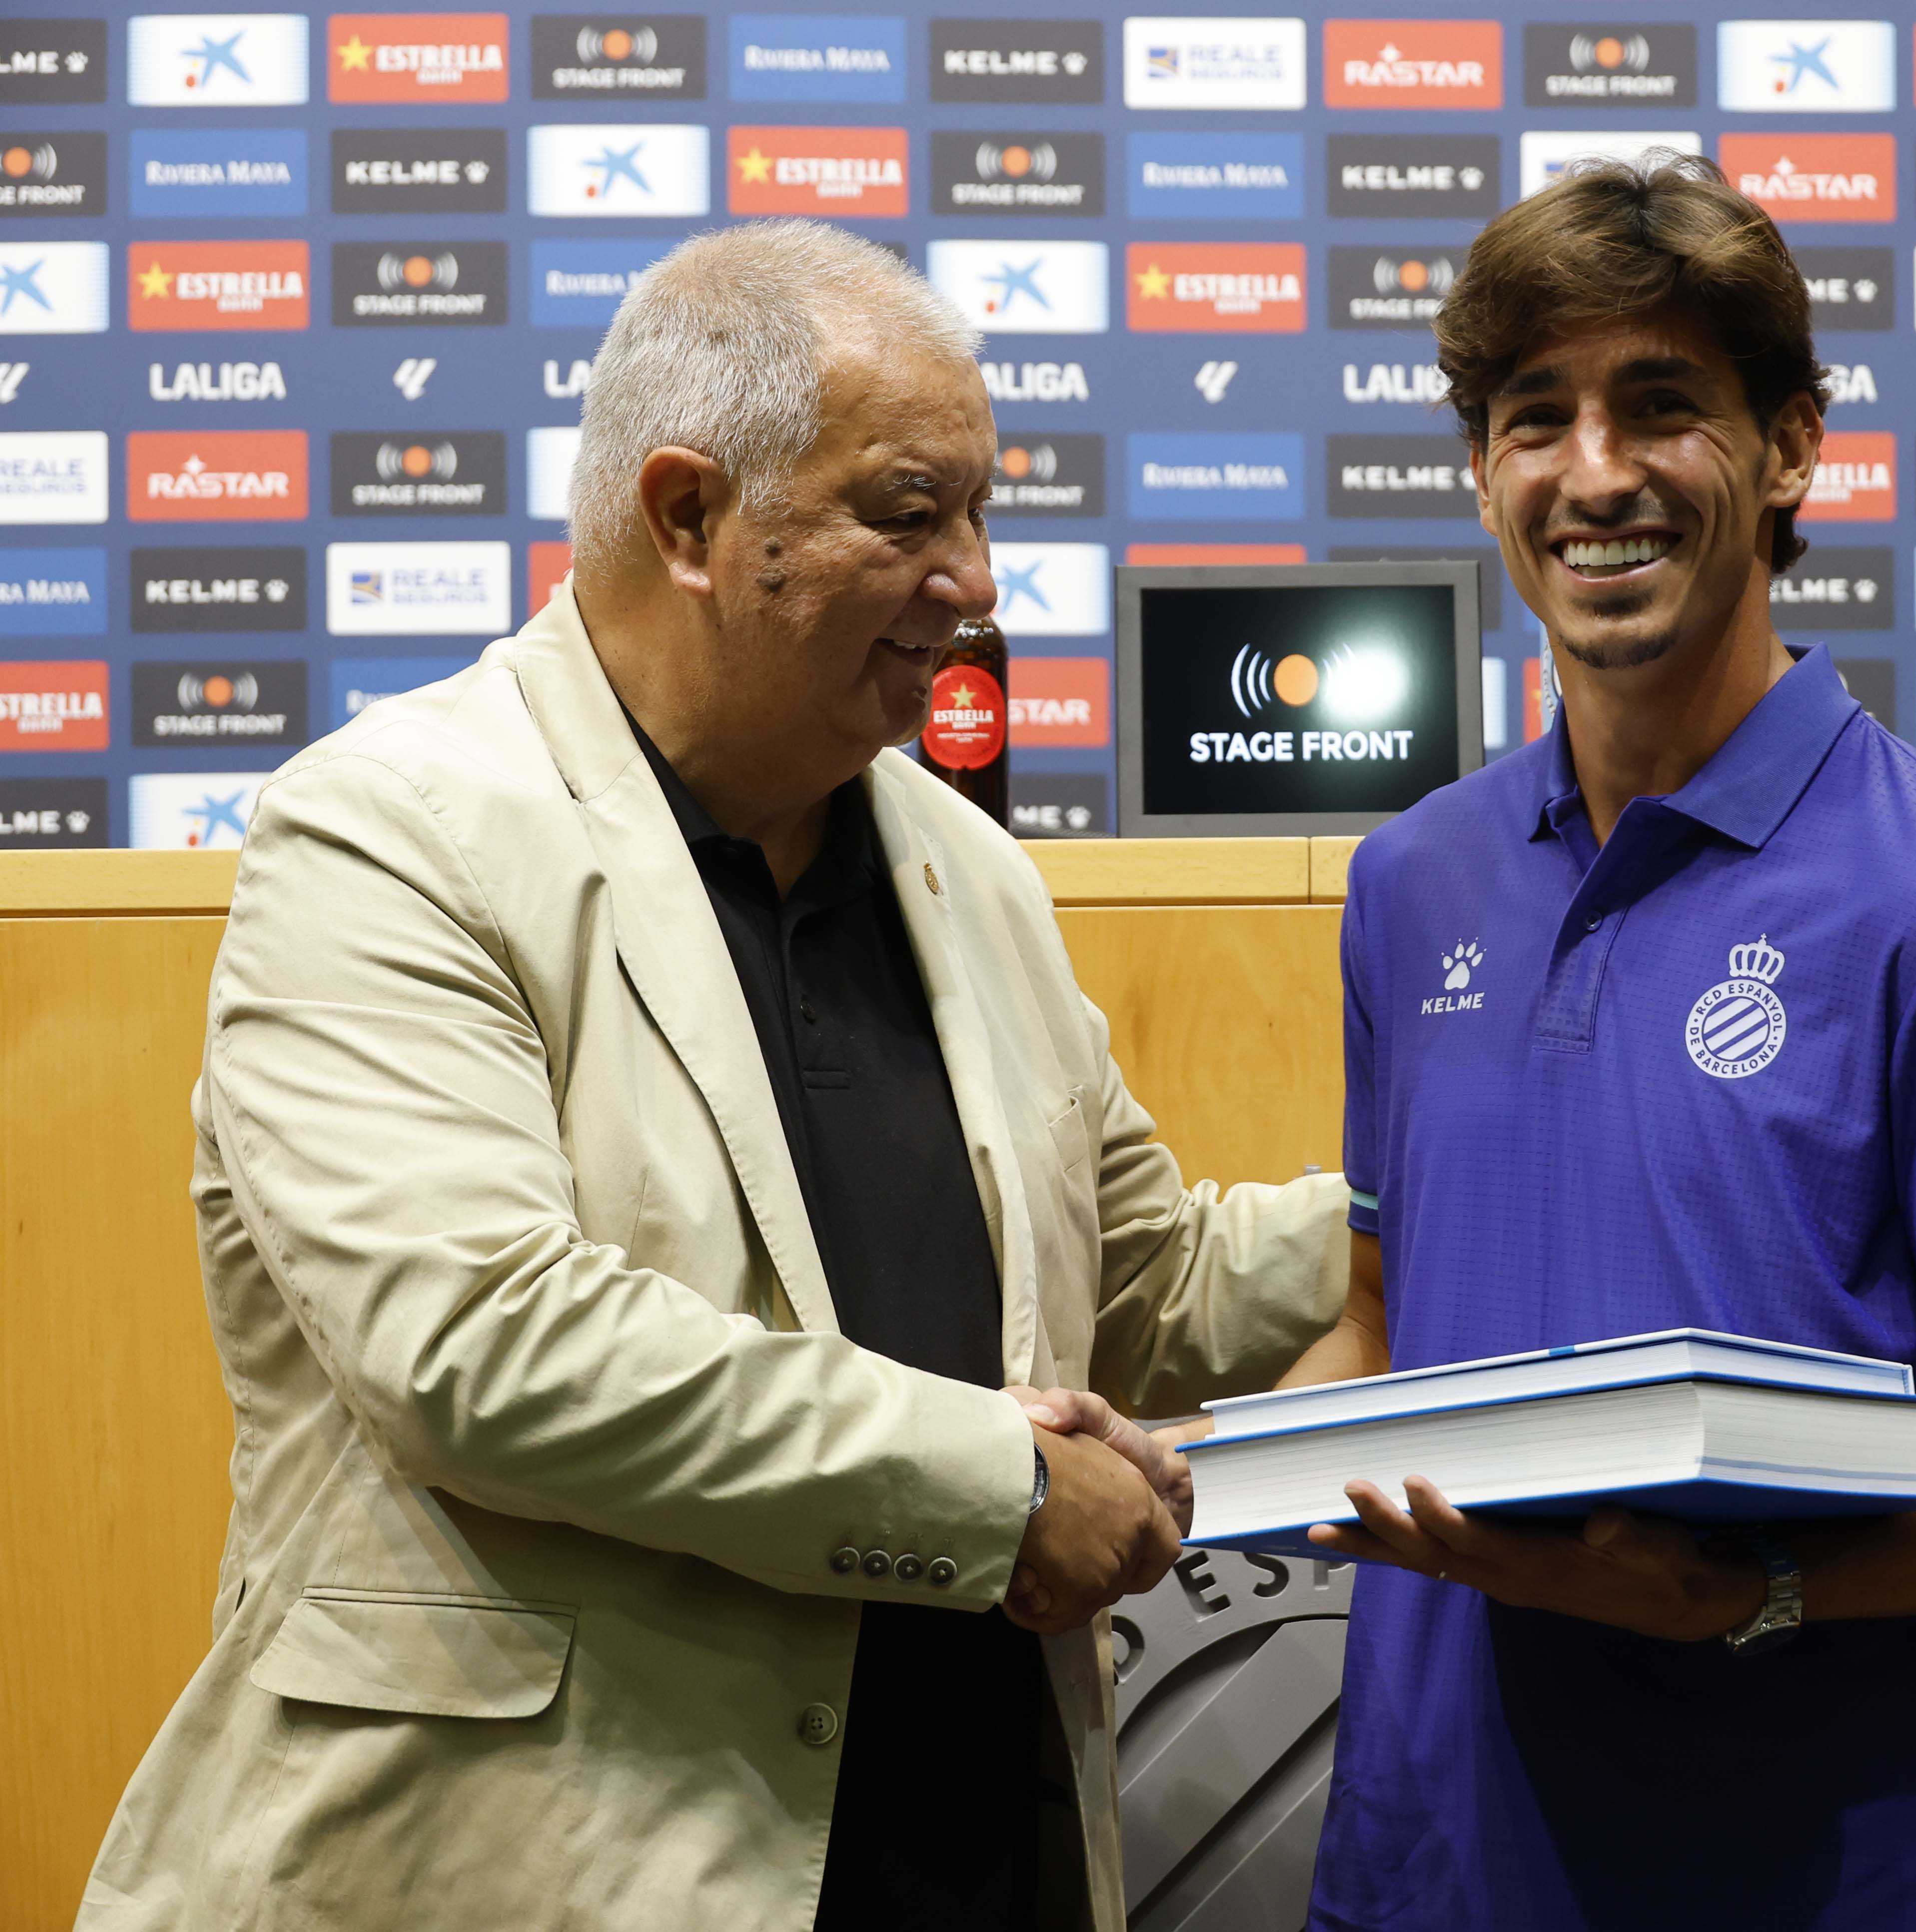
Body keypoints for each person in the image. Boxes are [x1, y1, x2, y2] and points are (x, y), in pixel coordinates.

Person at [77, 221, 1345, 1932]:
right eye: (909, 513)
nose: (976, 579)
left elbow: (1142, 1284)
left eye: (980, 514)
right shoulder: (390, 832)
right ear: (687, 518)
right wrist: (1005, 1491)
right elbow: (485, 1344)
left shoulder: (973, 875)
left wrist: (1448, 1184)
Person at [1286, 156, 1916, 1931]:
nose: (1595, 471)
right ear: (1482, 473)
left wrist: (1756, 1590)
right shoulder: (1410, 882)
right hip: (1418, 1868)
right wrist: (1189, 1469)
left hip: (1794, 1879)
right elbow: (1380, 1324)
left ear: (1789, 449)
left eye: (1661, 403)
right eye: (1537, 417)